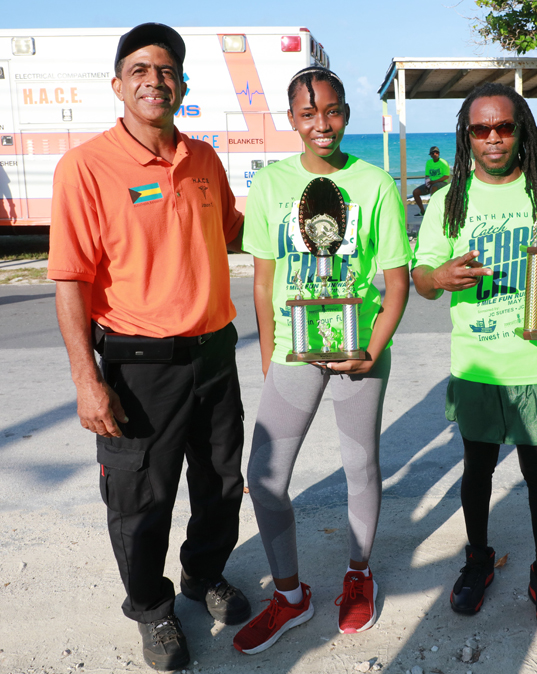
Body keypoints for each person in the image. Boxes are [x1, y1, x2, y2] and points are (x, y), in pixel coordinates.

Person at [47, 23, 249, 672]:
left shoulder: (205, 160)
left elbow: (244, 236)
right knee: (140, 504)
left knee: (220, 487)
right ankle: (152, 609)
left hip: (215, 356)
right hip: (139, 368)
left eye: (165, 71)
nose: (153, 80)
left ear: (183, 85)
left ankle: (201, 576)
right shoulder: (85, 168)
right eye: (139, 70)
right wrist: (86, 378)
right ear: (117, 84)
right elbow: (71, 283)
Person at [231, 66, 411, 654]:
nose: (321, 124)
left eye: (331, 111)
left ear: (346, 114)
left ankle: (358, 573)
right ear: (292, 120)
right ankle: (290, 596)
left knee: (361, 465)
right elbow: (262, 282)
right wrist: (268, 355)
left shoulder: (376, 184)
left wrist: (373, 350)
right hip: (293, 346)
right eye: (308, 114)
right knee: (265, 478)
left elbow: (396, 281)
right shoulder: (271, 185)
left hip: (359, 346)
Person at [411, 82, 537, 634]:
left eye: (505, 127)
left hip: (534, 358)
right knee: (477, 469)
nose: (493, 138)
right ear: (466, 137)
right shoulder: (451, 198)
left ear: (523, 132)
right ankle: (478, 559)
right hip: (476, 362)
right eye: (480, 129)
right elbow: (422, 278)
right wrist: (441, 277)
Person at [412, 146, 450, 215]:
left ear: (439, 154)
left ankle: (432, 211)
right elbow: (427, 176)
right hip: (431, 183)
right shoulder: (428, 163)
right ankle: (423, 211)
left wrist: (434, 182)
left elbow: (446, 176)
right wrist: (427, 184)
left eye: (437, 153)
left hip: (442, 183)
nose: (435, 154)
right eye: (433, 153)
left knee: (433, 188)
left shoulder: (444, 162)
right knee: (415, 192)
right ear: (430, 155)